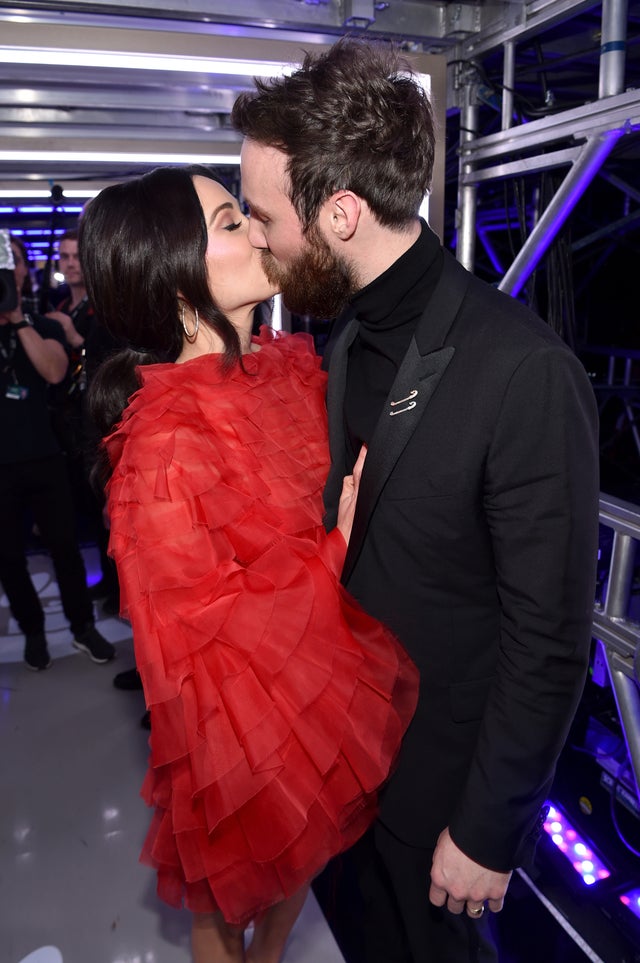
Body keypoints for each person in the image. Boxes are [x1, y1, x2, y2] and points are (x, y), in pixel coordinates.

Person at [231, 38, 600, 963]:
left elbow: (549, 636)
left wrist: (488, 830)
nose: (261, 234)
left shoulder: (523, 372)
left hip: (442, 797)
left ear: (342, 214)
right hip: (350, 770)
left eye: (266, 214)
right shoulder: (348, 333)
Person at [78, 165, 419, 963]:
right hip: (232, 714)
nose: (262, 231)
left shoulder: (282, 369)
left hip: (317, 668)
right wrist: (335, 545)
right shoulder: (163, 440)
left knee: (300, 848)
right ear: (173, 281)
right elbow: (207, 623)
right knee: (228, 891)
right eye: (232, 222)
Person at [0, 236, 116, 669]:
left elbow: (55, 370)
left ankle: (82, 626)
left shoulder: (43, 323)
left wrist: (16, 320)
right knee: (8, 557)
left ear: (23, 271)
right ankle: (33, 632)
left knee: (65, 548)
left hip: (45, 458)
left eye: (10, 264)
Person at [46, 229, 121, 612]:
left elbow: (110, 362)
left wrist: (74, 336)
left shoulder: (104, 307)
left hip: (100, 421)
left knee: (111, 512)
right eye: (64, 257)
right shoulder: (59, 302)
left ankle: (119, 588)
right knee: (91, 513)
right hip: (72, 425)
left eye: (76, 256)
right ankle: (108, 584)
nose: (70, 263)